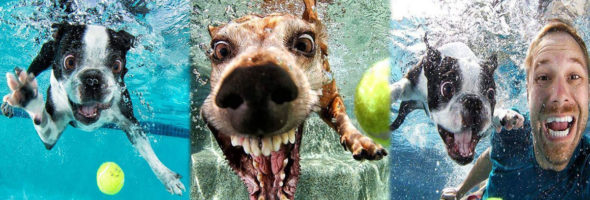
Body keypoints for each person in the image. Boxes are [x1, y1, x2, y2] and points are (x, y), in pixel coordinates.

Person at [441, 19, 590, 200]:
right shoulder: (513, 129)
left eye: (574, 76)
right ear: (528, 93)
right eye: (543, 77)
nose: (559, 95)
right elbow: (492, 156)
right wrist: (460, 190)